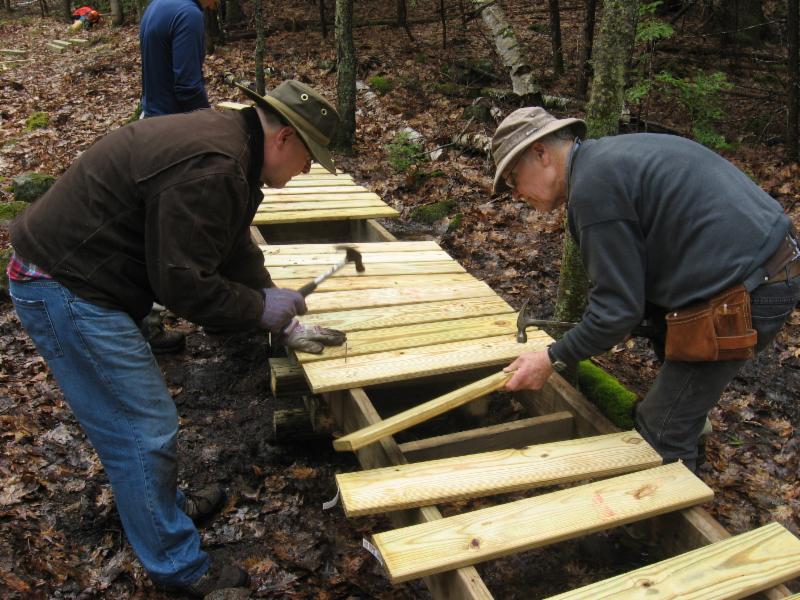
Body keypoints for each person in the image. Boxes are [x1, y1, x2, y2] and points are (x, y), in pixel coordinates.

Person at [7, 80, 346, 596]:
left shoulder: (233, 148)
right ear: (283, 139)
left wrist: (277, 310)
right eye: (308, 159)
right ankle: (178, 567)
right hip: (64, 283)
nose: (305, 172)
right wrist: (259, 308)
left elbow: (228, 246)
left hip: (81, 272)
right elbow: (182, 285)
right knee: (143, 428)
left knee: (143, 425)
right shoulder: (214, 166)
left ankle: (160, 508)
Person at [492, 107, 800, 471]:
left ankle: (668, 506)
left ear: (541, 152)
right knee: (668, 352)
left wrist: (551, 358)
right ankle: (690, 427)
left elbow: (616, 312)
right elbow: (634, 290)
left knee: (661, 430)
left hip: (750, 289)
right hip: (760, 264)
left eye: (514, 179)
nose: (516, 194)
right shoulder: (606, 161)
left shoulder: (594, 189)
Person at [139, 0, 216, 117]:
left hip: (150, 117)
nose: (216, 4)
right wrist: (208, 119)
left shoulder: (156, 4)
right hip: (172, 123)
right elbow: (188, 86)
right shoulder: (189, 14)